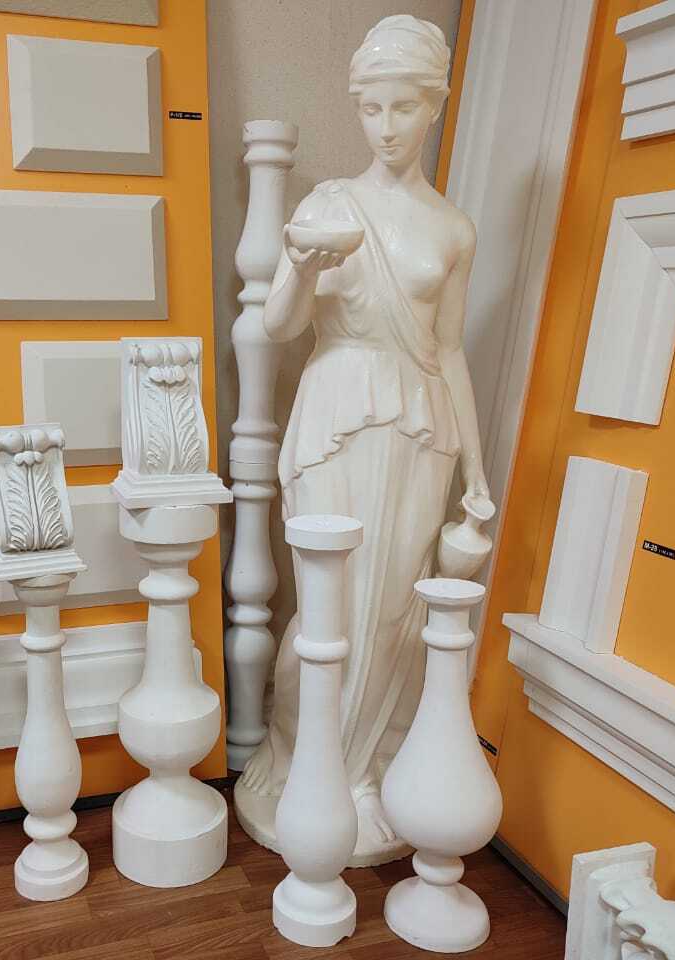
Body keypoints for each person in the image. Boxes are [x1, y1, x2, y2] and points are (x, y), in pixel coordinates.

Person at [234, 14, 493, 864]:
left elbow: (449, 350)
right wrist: (304, 269)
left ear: (434, 107)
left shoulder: (453, 229)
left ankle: (364, 772)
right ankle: (299, 761)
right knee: (328, 607)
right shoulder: (327, 206)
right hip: (336, 413)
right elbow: (278, 326)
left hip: (421, 425)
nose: (385, 127)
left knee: (394, 608)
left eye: (403, 107)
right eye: (371, 108)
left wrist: (476, 471)